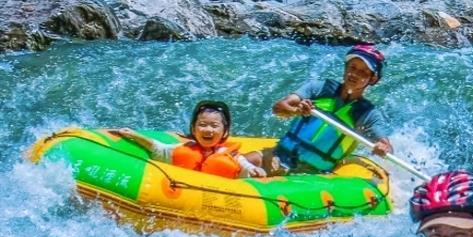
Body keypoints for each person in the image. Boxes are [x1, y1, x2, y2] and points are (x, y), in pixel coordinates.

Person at [245, 43, 392, 176]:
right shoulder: (318, 89)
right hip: (279, 155)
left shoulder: (367, 114)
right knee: (234, 164)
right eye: (352, 67)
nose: (354, 74)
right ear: (345, 67)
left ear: (372, 79)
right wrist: (297, 110)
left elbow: (387, 147)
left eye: (363, 72)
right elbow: (278, 108)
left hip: (311, 173)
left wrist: (383, 147)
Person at [111, 100, 265, 179]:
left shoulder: (231, 155)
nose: (208, 130)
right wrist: (133, 135)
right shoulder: (183, 149)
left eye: (214, 126)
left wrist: (255, 171)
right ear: (193, 129)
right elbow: (157, 148)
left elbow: (245, 168)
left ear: (225, 131)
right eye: (202, 125)